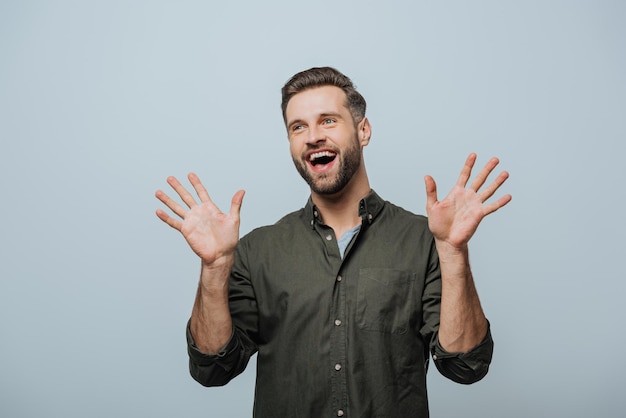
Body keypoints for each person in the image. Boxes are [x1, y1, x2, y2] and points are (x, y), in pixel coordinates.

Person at [155, 67, 511, 417]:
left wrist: (452, 251)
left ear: (363, 130)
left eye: (328, 120)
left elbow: (466, 367)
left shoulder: (424, 241)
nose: (312, 136)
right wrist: (215, 268)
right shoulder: (256, 251)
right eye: (298, 127)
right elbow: (213, 369)